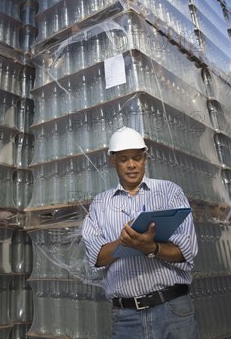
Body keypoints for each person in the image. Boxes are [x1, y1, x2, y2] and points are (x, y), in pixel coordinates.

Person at [82, 127, 200, 339]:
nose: (131, 165)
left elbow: (187, 250)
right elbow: (96, 256)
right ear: (113, 161)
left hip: (173, 310)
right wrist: (125, 242)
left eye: (137, 158)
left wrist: (152, 248)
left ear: (145, 158)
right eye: (124, 159)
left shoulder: (169, 192)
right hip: (127, 317)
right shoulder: (100, 204)